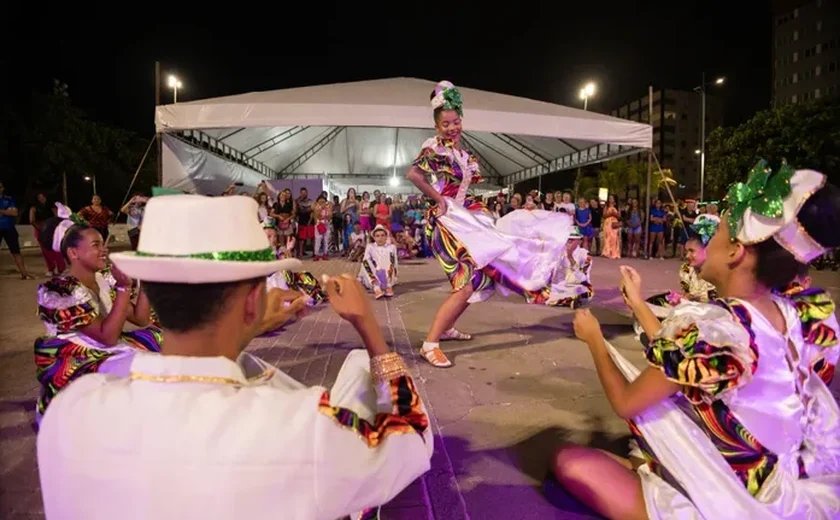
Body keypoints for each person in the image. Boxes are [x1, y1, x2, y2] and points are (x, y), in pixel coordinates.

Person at [38, 194, 434, 520]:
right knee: (358, 374)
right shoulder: (300, 426)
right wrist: (368, 327)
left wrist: (249, 327)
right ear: (251, 302)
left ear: (154, 296)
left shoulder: (69, 409)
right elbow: (410, 440)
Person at [553, 162, 840, 519]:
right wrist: (640, 304)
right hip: (793, 472)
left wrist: (594, 339)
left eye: (717, 231)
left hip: (745, 496)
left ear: (735, 252)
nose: (705, 241)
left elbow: (628, 403)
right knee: (649, 440)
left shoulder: (718, 326)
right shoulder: (792, 312)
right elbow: (684, 368)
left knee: (571, 461)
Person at [405, 80, 574, 368]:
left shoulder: (460, 154)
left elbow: (462, 189)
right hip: (448, 224)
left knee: (479, 278)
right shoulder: (435, 148)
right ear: (436, 126)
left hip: (464, 219)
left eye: (456, 121)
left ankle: (445, 330)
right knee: (466, 285)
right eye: (445, 124)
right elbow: (413, 175)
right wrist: (438, 199)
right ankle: (430, 343)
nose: (452, 128)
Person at [33, 203, 161, 422]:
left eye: (103, 243)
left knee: (174, 340)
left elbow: (140, 319)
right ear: (74, 253)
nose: (105, 249)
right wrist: (123, 289)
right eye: (96, 244)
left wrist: (147, 278)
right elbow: (108, 337)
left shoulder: (103, 279)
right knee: (147, 375)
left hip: (109, 347)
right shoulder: (59, 291)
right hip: (79, 356)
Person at [547, 226, 593, 308]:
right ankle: (568, 301)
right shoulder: (560, 252)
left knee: (586, 294)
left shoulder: (585, 255)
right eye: (567, 240)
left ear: (579, 241)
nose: (568, 242)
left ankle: (567, 301)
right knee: (542, 288)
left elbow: (582, 279)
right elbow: (552, 273)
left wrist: (570, 258)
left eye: (571, 240)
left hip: (577, 287)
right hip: (560, 287)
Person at [0, 181, 34, 279]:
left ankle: (24, 273)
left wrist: (2, 212)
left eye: (1, 187)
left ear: (3, 188)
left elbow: (15, 213)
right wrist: (7, 211)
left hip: (9, 228)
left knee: (16, 251)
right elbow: (11, 212)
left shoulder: (8, 199)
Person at [30, 192, 65, 275]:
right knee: (49, 250)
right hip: (44, 228)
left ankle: (57, 269)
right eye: (39, 197)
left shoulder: (50, 206)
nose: (41, 198)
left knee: (52, 249)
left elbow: (57, 217)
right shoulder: (34, 208)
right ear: (37, 199)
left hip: (47, 228)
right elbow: (31, 220)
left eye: (43, 197)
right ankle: (53, 269)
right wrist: (41, 229)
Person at [359, 224, 398, 299]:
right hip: (373, 278)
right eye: (377, 236)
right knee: (365, 262)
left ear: (386, 237)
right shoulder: (370, 246)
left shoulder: (391, 247)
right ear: (374, 237)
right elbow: (365, 261)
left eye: (382, 235)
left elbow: (394, 263)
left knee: (391, 258)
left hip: (388, 277)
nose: (380, 238)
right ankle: (377, 289)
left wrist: (393, 278)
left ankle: (388, 287)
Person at [601, 195, 621, 259]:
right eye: (609, 198)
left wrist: (615, 214)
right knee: (607, 237)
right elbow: (604, 215)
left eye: (612, 198)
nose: (610, 199)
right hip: (608, 223)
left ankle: (614, 253)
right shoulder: (606, 206)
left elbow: (619, 216)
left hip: (614, 223)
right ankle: (607, 252)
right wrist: (609, 214)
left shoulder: (617, 207)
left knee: (614, 238)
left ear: (614, 199)